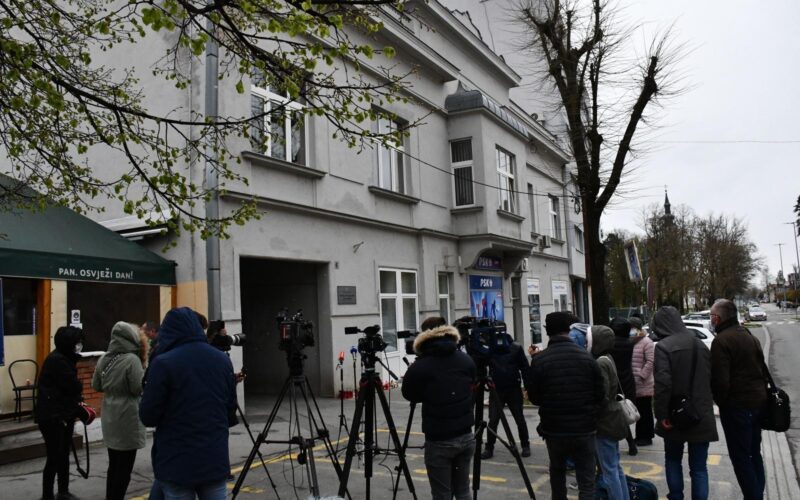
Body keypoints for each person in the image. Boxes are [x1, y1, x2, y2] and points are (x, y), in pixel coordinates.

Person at [139, 307, 236, 500]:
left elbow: (148, 416)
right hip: (214, 457)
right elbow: (230, 410)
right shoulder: (222, 360)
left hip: (176, 461)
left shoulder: (163, 363)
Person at [526, 312, 604, 500]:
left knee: (557, 472)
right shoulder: (586, 358)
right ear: (568, 330)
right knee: (587, 480)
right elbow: (600, 395)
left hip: (554, 429)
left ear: (547, 331)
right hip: (584, 428)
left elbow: (535, 398)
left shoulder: (540, 360)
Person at [402, 316, 477, 500]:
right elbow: (472, 384)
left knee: (442, 494)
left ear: (425, 337)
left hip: (439, 439)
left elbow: (409, 394)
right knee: (463, 491)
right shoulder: (465, 359)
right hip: (466, 435)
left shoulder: (421, 366)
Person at [652, 306, 718, 500]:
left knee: (673, 460)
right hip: (701, 413)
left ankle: (676, 496)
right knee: (699, 468)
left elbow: (663, 384)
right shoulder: (700, 344)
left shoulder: (663, 347)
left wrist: (661, 415)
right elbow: (711, 378)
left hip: (675, 414)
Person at [710, 299, 767, 500]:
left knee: (741, 458)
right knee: (754, 454)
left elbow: (721, 381)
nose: (711, 320)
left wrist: (721, 402)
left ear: (718, 318)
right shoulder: (748, 335)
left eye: (711, 316)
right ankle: (757, 494)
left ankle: (754, 496)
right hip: (758, 403)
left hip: (737, 407)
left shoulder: (721, 341)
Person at [92, 322, 147, 500]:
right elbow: (137, 388)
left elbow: (96, 385)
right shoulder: (132, 360)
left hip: (109, 413)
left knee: (114, 464)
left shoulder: (104, 358)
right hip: (128, 415)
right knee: (125, 468)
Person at [36, 326, 85, 500]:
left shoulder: (63, 358)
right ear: (68, 343)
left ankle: (63, 491)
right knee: (55, 457)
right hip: (53, 417)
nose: (79, 345)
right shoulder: (59, 361)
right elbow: (73, 386)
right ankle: (47, 495)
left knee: (63, 454)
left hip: (62, 414)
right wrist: (78, 389)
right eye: (77, 342)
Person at [591, 325, 630, 500]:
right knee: (615, 466)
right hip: (613, 418)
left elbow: (603, 395)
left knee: (609, 470)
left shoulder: (600, 362)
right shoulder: (608, 358)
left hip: (605, 421)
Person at [480, 330, 530, 459]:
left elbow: (524, 368)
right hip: (506, 388)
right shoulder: (514, 347)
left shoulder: (493, 348)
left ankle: (490, 448)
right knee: (513, 419)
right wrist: (527, 387)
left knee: (497, 420)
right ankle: (525, 446)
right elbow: (525, 368)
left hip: (503, 388)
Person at [609, 316, 638, 456]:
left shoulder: (610, 345)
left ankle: (614, 446)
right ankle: (631, 444)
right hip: (627, 381)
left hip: (614, 382)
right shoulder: (629, 343)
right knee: (623, 415)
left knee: (611, 415)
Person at [630, 317, 655, 446]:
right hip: (634, 382)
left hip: (644, 383)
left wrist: (642, 375)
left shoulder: (646, 342)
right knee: (638, 411)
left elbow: (651, 361)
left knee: (645, 411)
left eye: (632, 327)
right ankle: (640, 436)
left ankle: (647, 436)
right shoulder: (631, 341)